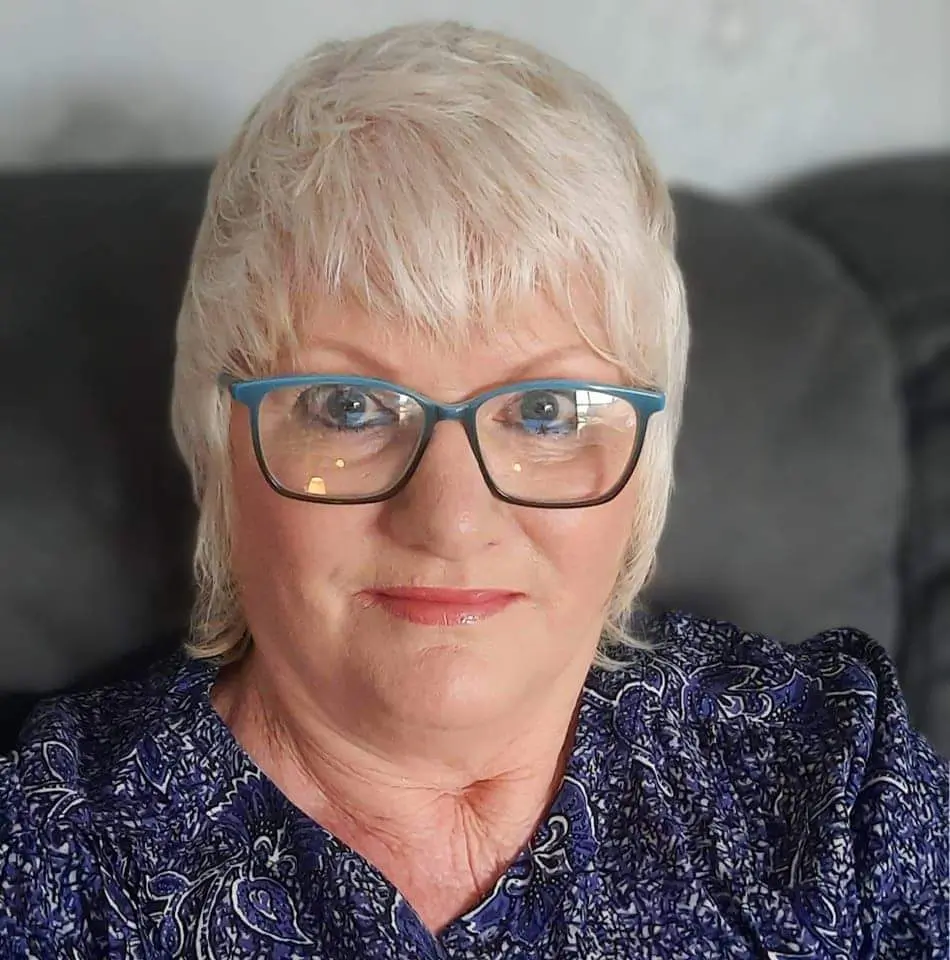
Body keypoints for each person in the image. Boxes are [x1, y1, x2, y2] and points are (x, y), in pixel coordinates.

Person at [1, 20, 947, 960]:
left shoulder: (833, 782)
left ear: (647, 457)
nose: (451, 520)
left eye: (545, 412)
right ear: (219, 444)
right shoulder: (46, 853)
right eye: (347, 407)